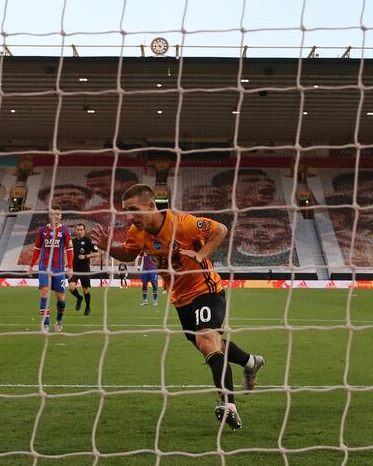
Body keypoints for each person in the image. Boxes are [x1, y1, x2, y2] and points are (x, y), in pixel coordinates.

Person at [91, 184, 265, 430]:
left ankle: (229, 405)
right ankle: (250, 362)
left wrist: (202, 254)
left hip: (206, 290)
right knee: (212, 345)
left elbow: (221, 230)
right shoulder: (136, 231)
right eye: (126, 212)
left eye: (134, 210)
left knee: (207, 341)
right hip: (180, 299)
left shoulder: (183, 223)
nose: (130, 217)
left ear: (151, 206)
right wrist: (108, 246)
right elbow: (130, 254)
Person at [27, 205, 73, 333]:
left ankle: (59, 320)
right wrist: (31, 266)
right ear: (49, 215)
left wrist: (70, 267)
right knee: (44, 292)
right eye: (53, 214)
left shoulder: (65, 231)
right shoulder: (42, 230)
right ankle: (46, 324)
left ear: (61, 216)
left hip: (59, 269)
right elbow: (37, 249)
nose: (56, 216)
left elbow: (69, 250)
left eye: (58, 214)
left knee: (60, 298)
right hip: (44, 267)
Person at [68, 223, 99, 315]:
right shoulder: (72, 242)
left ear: (84, 231)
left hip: (84, 269)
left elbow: (96, 253)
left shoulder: (88, 241)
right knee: (71, 287)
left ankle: (87, 307)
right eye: (78, 229)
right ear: (76, 230)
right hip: (74, 269)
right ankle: (79, 298)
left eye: (81, 230)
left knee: (85, 290)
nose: (79, 231)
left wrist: (85, 256)